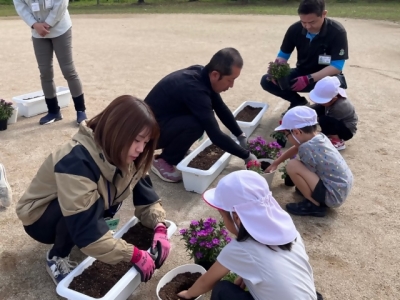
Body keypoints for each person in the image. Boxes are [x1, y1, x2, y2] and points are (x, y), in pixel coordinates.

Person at [16, 95, 171, 285]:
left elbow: (147, 196)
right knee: (86, 210)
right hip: (40, 218)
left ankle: (84, 240)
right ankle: (56, 256)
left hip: (79, 210)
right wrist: (133, 254)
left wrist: (160, 226)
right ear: (117, 132)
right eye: (137, 140)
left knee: (93, 206)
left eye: (146, 142)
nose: (141, 149)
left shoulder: (128, 155)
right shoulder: (75, 161)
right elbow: (85, 225)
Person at [177, 170, 319, 300]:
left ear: (237, 218)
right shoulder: (291, 234)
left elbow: (205, 282)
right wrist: (246, 276)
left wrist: (188, 294)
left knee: (222, 289)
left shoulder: (241, 249)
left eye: (223, 216)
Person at [144, 48, 257, 183]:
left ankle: (177, 150)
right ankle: (164, 160)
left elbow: (221, 108)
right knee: (197, 124)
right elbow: (215, 135)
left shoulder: (203, 74)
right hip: (147, 137)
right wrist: (247, 156)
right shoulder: (194, 89)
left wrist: (240, 135)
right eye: (230, 80)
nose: (232, 85)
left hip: (162, 123)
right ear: (215, 75)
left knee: (196, 119)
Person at [260, 0, 349, 115]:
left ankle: (323, 109)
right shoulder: (294, 29)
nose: (307, 26)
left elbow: (337, 66)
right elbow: (283, 56)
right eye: (303, 22)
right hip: (301, 72)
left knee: (327, 114)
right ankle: (298, 102)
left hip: (327, 77)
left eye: (312, 22)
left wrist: (309, 78)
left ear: (324, 14)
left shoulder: (337, 32)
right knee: (267, 80)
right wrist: (275, 71)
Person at [266, 106, 353, 217]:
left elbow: (304, 169)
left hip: (332, 195)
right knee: (297, 166)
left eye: (286, 134)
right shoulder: (319, 137)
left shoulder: (307, 148)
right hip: (340, 189)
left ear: (297, 132)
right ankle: (314, 196)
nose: (287, 138)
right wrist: (275, 163)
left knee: (292, 166)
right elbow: (296, 147)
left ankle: (314, 205)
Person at [13, 0, 87, 125]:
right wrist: (34, 24)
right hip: (38, 32)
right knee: (45, 72)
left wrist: (48, 23)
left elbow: (62, 3)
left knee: (68, 70)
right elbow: (20, 6)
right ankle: (53, 111)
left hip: (60, 28)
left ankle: (81, 111)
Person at [309, 76, 358, 150]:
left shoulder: (340, 106)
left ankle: (337, 141)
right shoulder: (334, 95)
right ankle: (330, 136)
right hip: (337, 121)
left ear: (334, 99)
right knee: (316, 109)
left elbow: (329, 123)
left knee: (324, 120)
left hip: (347, 130)